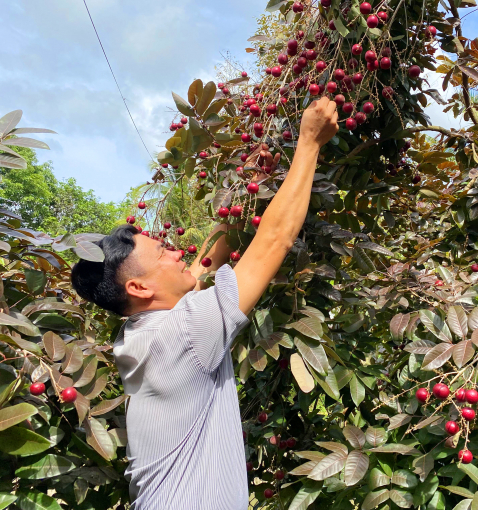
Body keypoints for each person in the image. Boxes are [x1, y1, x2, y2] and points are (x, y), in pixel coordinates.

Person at [70, 97, 339, 510]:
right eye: (163, 253)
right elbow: (275, 240)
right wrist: (308, 143)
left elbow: (200, 268)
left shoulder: (141, 334)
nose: (177, 253)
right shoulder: (183, 333)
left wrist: (250, 184)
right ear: (140, 288)